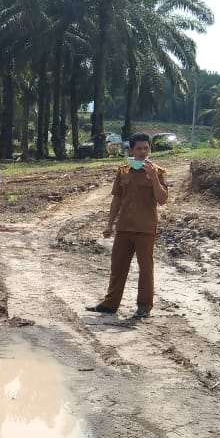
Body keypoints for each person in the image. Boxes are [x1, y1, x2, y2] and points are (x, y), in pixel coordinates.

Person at [86, 132, 168, 318]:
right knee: (118, 267)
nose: (142, 152)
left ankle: (144, 307)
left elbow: (162, 200)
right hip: (124, 227)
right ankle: (110, 304)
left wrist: (154, 178)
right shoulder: (123, 171)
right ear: (131, 150)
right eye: (138, 148)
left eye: (146, 148)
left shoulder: (158, 172)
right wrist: (110, 224)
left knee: (146, 269)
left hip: (145, 229)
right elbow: (116, 199)